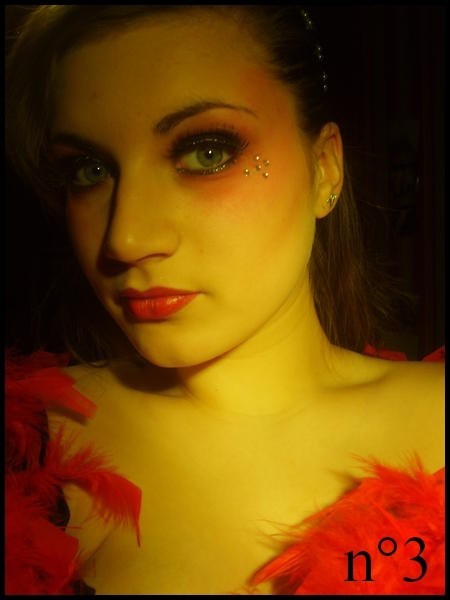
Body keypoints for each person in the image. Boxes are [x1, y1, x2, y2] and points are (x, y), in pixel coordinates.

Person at [5, 5, 444, 595]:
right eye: (88, 170)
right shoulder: (26, 443)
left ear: (325, 169)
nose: (126, 238)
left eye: (206, 152)